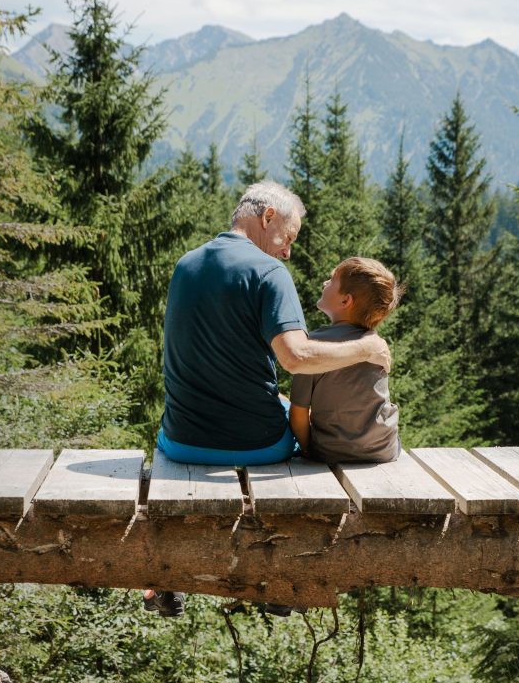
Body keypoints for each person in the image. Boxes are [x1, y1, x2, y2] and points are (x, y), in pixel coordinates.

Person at [145, 182, 392, 617]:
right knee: (300, 429)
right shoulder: (268, 273)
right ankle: (279, 579)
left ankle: (166, 577)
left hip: (180, 440)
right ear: (267, 218)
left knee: (266, 405)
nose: (288, 253)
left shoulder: (186, 265)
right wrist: (366, 349)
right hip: (257, 444)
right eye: (289, 238)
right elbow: (297, 357)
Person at [289, 257, 403, 465]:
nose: (325, 283)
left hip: (329, 453)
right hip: (382, 450)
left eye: (332, 280)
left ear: (345, 301)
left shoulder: (312, 345)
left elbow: (298, 415)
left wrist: (307, 449)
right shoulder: (377, 346)